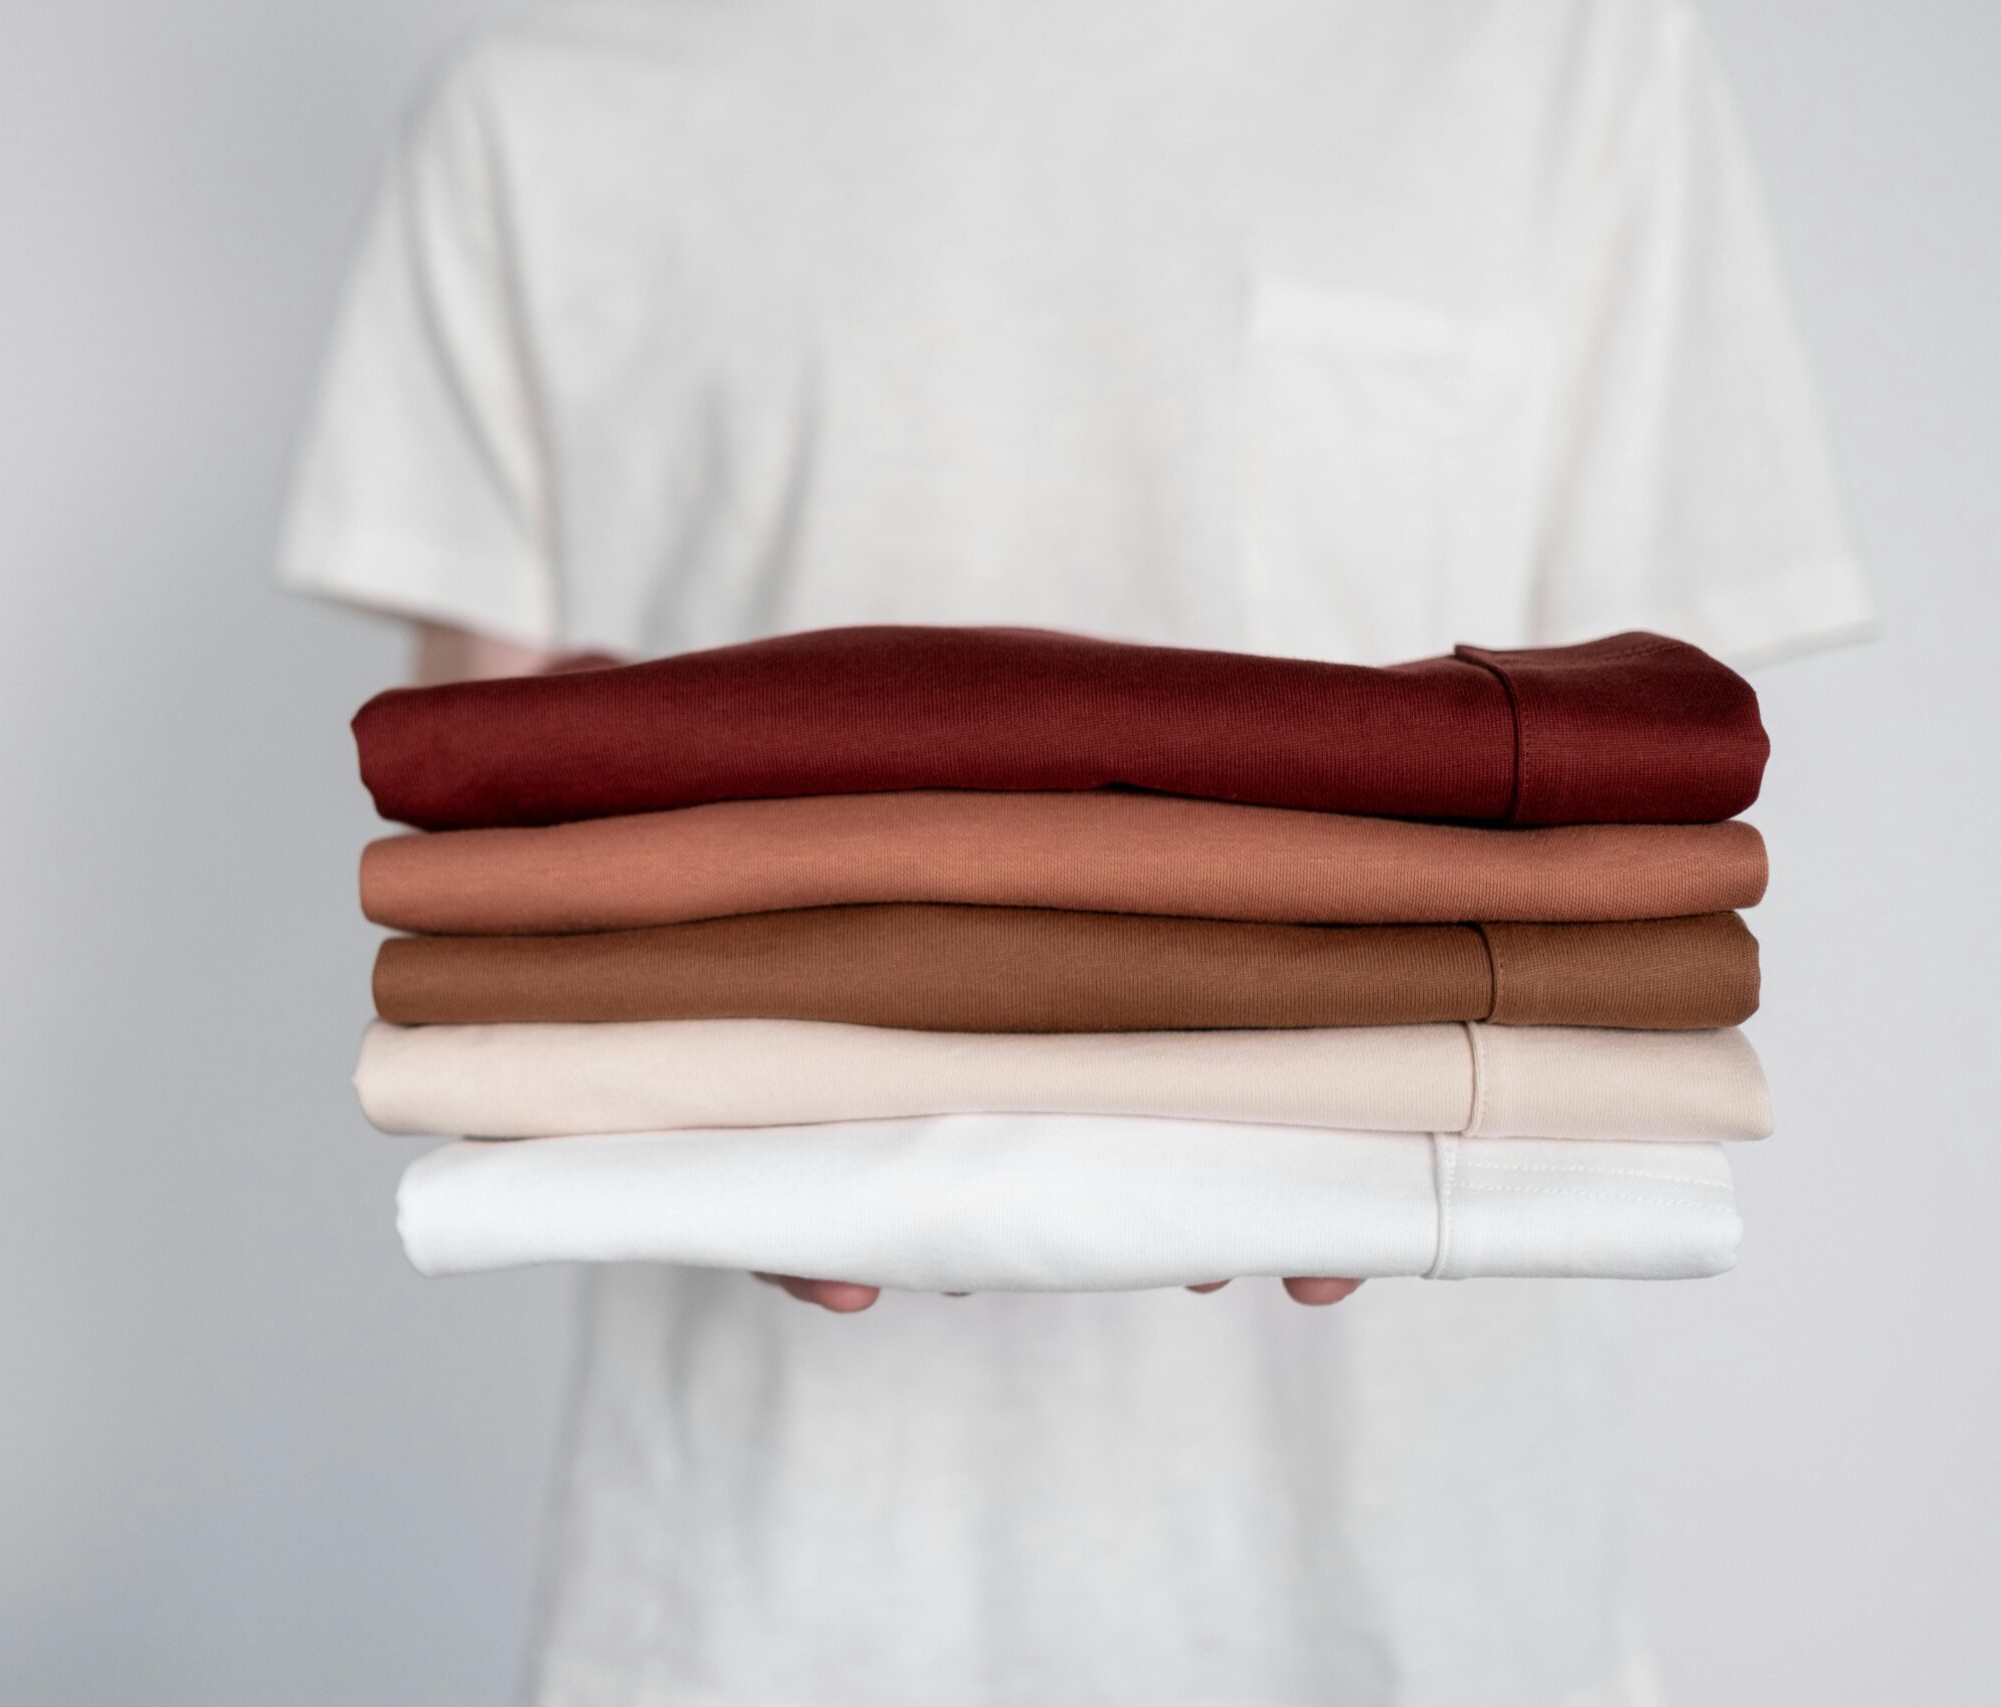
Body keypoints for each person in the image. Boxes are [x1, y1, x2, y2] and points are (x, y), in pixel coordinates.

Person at [282, 1, 1873, 1701]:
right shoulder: (543, 115)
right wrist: (656, 1106)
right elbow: (497, 892)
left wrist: (1412, 1062)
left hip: (1418, 1589)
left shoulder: (1567, 61)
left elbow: (1655, 796)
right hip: (764, 1603)